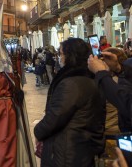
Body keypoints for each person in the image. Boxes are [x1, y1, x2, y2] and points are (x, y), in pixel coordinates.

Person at [34, 38, 105, 166]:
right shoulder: (90, 78)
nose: (60, 58)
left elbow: (55, 116)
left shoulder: (71, 83)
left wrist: (38, 131)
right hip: (81, 148)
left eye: (61, 54)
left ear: (70, 56)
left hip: (68, 152)